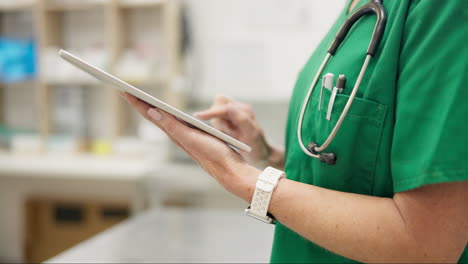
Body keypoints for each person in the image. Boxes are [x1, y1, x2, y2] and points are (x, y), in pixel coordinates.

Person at [121, 0, 468, 262]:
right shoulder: (360, 8)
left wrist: (237, 176)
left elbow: (427, 243)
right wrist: (263, 152)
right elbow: (358, 169)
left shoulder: (445, 11)